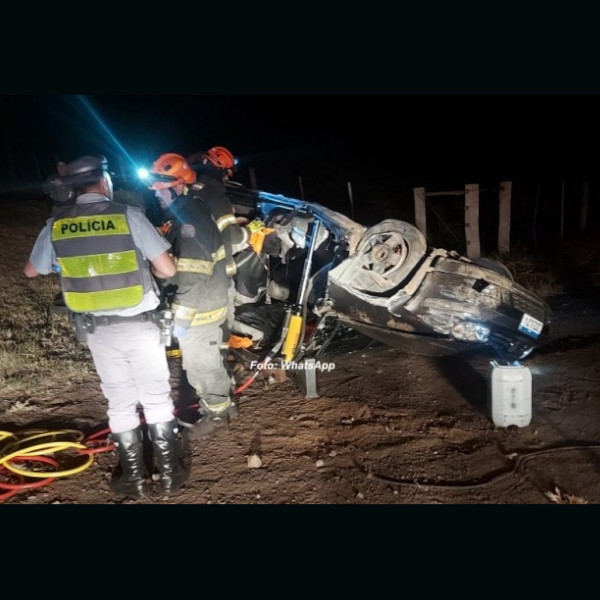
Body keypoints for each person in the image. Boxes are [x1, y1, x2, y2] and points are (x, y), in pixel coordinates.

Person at [24, 154, 187, 500]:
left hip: (99, 331)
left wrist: (67, 264)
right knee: (156, 400)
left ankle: (135, 479)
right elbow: (167, 269)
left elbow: (31, 271)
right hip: (141, 324)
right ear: (104, 181)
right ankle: (171, 477)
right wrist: (153, 271)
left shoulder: (57, 224)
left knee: (119, 402)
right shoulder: (128, 216)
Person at [148, 152, 237, 439]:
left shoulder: (189, 217)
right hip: (199, 304)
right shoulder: (182, 213)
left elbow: (195, 271)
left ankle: (218, 414)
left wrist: (181, 317)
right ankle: (220, 405)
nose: (158, 195)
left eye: (162, 190)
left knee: (203, 365)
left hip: (201, 307)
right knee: (198, 363)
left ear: (177, 185)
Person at [186, 147, 281, 322]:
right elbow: (233, 236)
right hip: (217, 274)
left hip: (194, 271)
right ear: (222, 171)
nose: (226, 179)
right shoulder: (217, 197)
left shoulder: (191, 191)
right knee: (223, 321)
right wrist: (251, 229)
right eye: (226, 175)